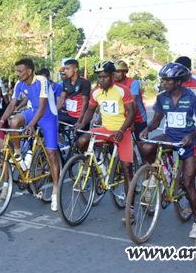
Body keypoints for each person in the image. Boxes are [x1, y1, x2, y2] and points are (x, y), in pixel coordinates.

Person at [139, 62, 196, 239]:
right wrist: (148, 129)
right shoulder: (162, 98)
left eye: (167, 79)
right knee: (146, 146)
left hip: (189, 141)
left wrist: (191, 136)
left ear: (178, 81)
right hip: (169, 137)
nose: (164, 82)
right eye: (163, 79)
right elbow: (156, 121)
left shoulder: (193, 98)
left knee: (188, 183)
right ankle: (162, 174)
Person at [0, 59, 61, 209]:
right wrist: (1, 120)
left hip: (48, 115)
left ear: (29, 71)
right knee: (14, 122)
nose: (17, 74)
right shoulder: (19, 84)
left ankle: (55, 192)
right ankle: (18, 154)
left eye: (20, 71)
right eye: (17, 71)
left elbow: (43, 106)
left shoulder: (42, 81)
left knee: (51, 154)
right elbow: (12, 105)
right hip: (33, 112)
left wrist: (32, 124)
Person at [76, 61, 136, 221]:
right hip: (105, 129)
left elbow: (131, 112)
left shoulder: (123, 90)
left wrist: (122, 130)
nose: (101, 80)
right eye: (99, 77)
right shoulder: (96, 92)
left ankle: (130, 209)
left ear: (112, 76)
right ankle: (93, 165)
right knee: (82, 140)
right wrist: (81, 124)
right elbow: (90, 110)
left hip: (121, 131)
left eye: (104, 76)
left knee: (126, 168)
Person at [112, 60, 149, 139]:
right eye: (113, 72)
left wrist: (131, 123)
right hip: (121, 118)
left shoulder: (133, 83)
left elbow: (133, 103)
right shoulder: (112, 83)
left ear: (125, 72)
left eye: (118, 72)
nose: (114, 74)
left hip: (138, 118)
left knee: (142, 146)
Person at [56, 59, 92, 128]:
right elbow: (62, 100)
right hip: (69, 114)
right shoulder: (65, 82)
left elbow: (85, 103)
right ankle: (61, 139)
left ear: (76, 69)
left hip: (80, 117)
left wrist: (79, 122)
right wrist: (52, 113)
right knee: (50, 121)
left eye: (68, 69)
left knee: (80, 138)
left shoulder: (84, 82)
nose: (65, 71)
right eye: (65, 69)